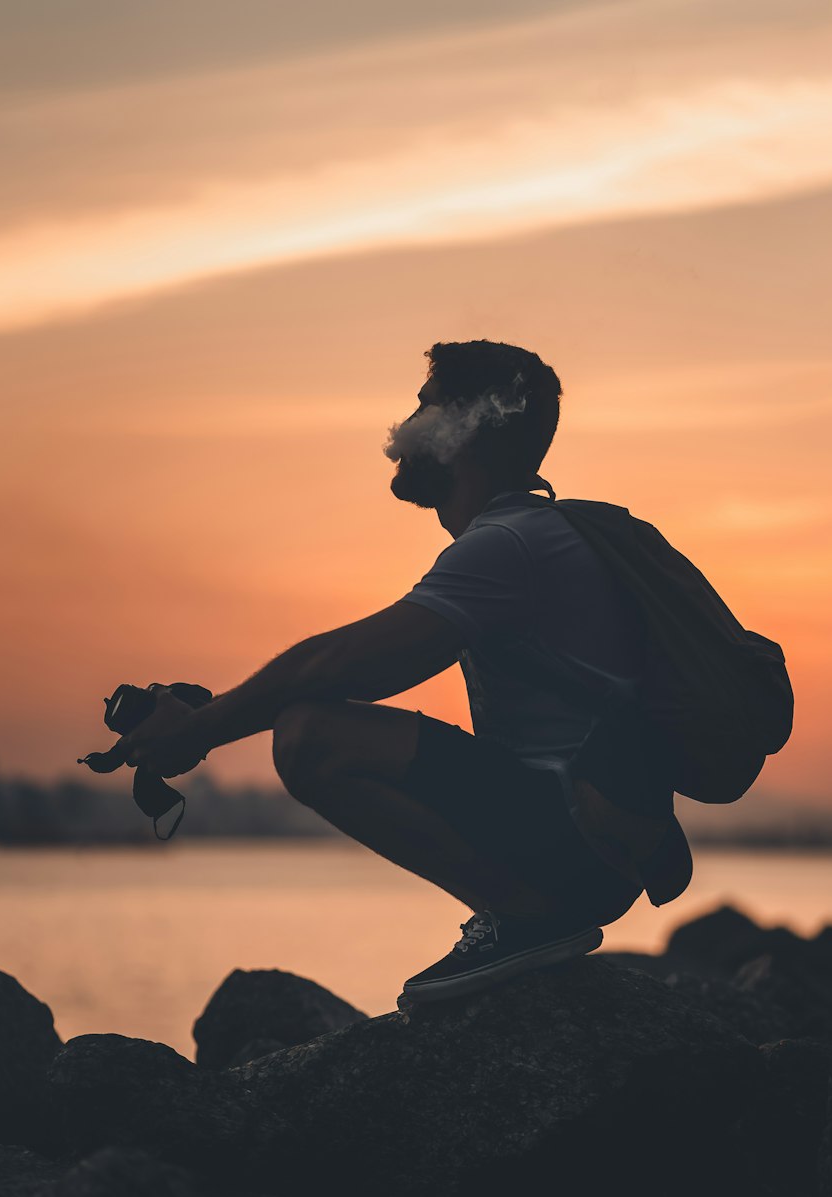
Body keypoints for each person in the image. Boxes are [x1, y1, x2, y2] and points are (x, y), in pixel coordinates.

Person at [116, 340, 676, 1001]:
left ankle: (527, 916)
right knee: (308, 721)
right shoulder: (526, 535)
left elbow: (346, 665)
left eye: (422, 408)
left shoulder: (511, 543)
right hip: (584, 834)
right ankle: (521, 915)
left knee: (309, 736)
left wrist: (202, 728)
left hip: (577, 838)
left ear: (467, 425)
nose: (401, 430)